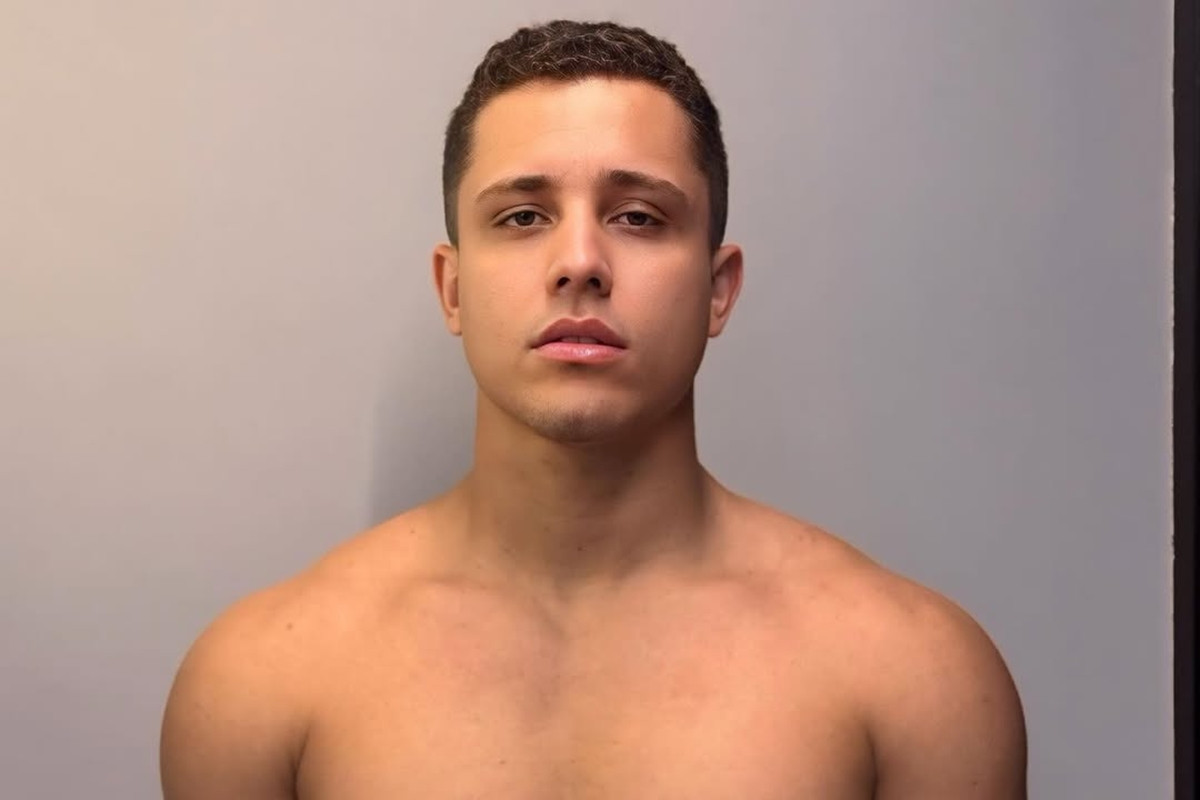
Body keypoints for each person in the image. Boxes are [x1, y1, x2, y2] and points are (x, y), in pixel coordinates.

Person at [160, 19, 1026, 799]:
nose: (580, 261)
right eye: (523, 216)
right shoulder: (264, 682)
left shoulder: (913, 679)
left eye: (639, 217)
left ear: (718, 290)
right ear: (453, 289)